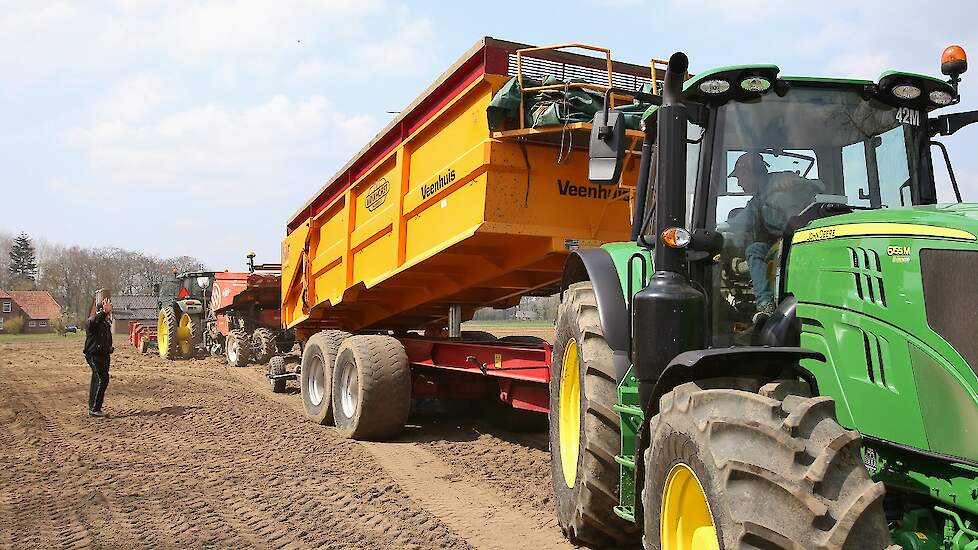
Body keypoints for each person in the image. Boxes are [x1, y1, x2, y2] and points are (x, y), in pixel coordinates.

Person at [726, 152, 820, 323]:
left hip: (798, 243)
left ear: (749, 173)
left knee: (755, 250)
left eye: (740, 177)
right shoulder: (758, 200)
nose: (739, 183)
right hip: (790, 244)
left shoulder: (782, 181)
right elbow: (742, 221)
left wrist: (796, 180)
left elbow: (820, 186)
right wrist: (726, 225)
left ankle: (765, 306)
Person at [84, 297, 114, 417]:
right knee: (102, 380)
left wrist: (109, 348)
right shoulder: (92, 321)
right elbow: (94, 322)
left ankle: (94, 407)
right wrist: (104, 312)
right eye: (108, 309)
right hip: (94, 356)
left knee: (99, 380)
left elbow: (106, 339)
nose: (110, 311)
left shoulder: (106, 324)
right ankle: (94, 409)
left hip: (104, 355)